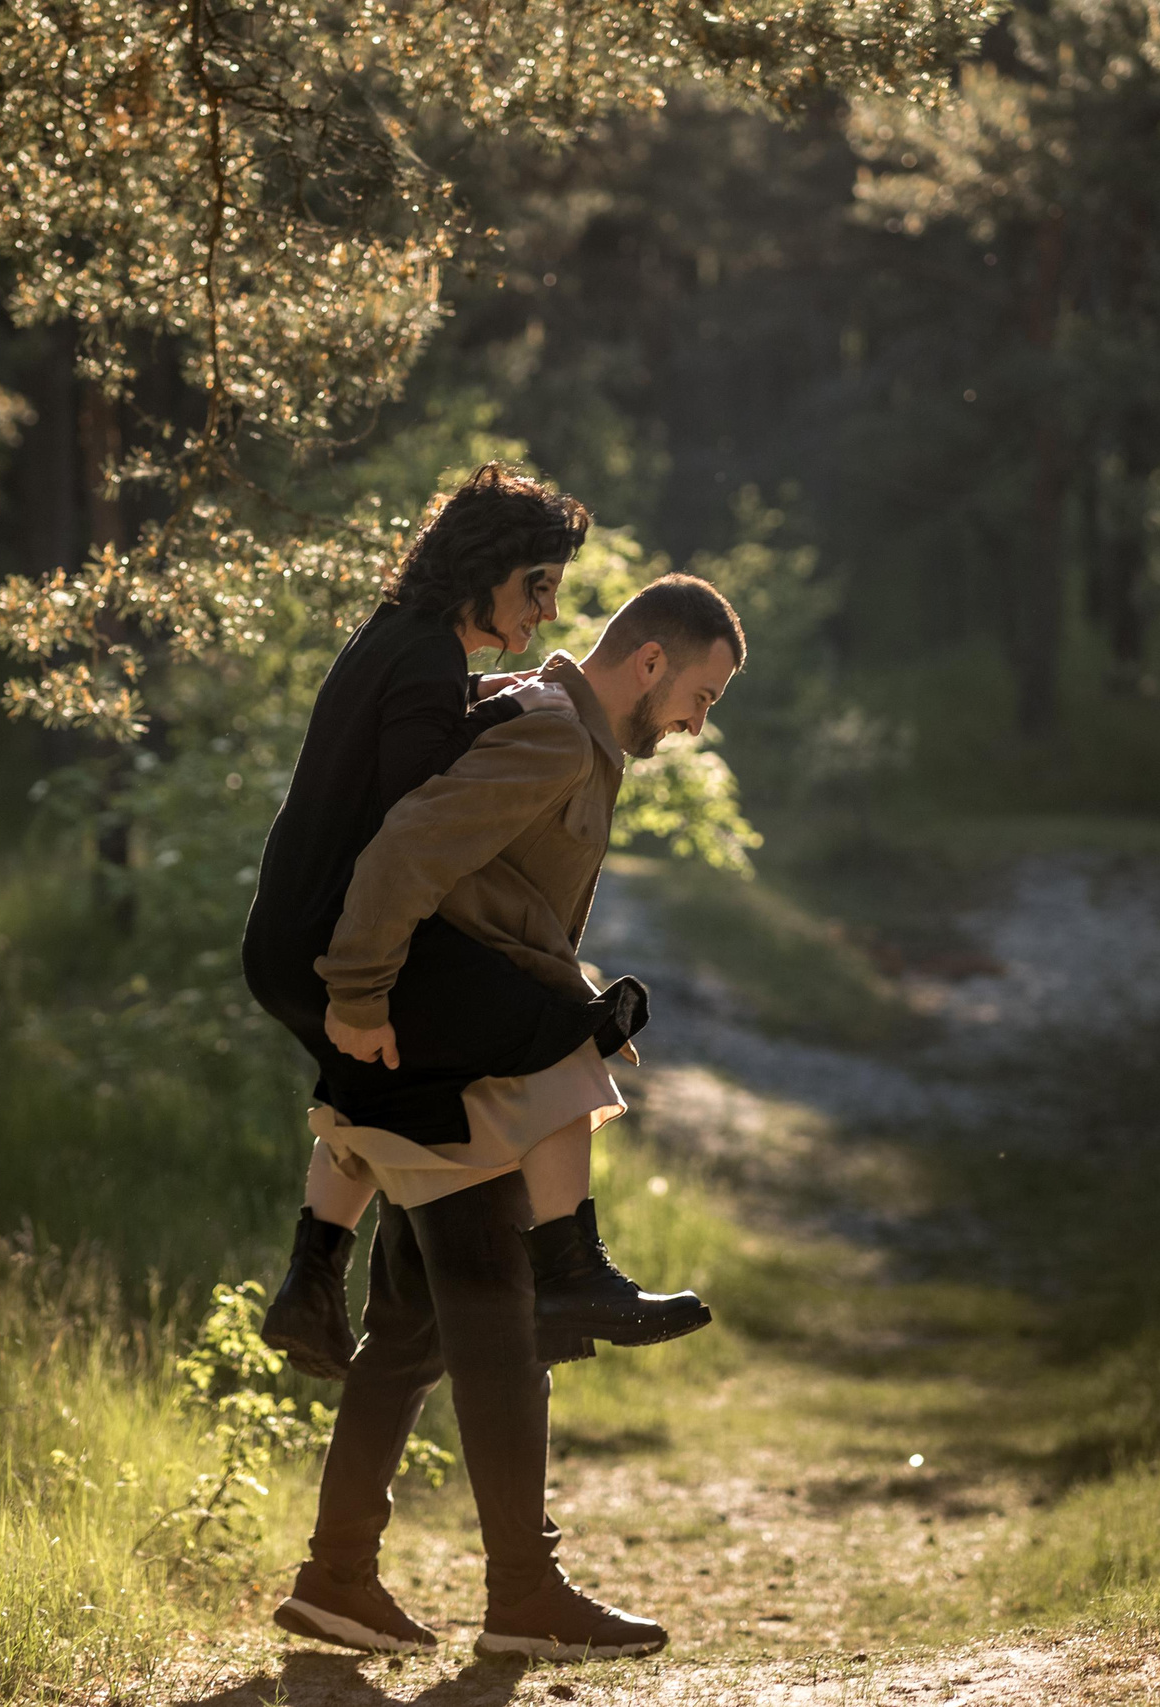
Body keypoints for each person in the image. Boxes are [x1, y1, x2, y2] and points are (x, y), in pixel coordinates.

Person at [274, 575, 746, 1662]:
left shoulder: (557, 723)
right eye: (700, 695)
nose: (694, 721)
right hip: (438, 1055)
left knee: (409, 1326)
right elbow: (407, 858)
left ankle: (336, 1578)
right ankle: (521, 1595)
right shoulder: (547, 734)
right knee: (497, 1320)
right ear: (648, 662)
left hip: (453, 1055)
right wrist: (356, 995)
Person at [242, 467, 704, 1383]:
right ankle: (572, 1271)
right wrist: (362, 986)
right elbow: (413, 828)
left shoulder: (399, 640)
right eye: (538, 586)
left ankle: (310, 1280)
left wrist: (515, 693)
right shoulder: (424, 664)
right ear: (487, 569)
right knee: (563, 1023)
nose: (547, 611)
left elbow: (422, 760)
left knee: (379, 1086)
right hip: (329, 936)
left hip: (291, 935)